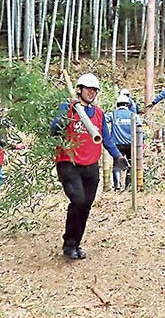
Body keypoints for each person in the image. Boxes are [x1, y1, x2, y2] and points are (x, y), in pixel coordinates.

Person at [50, 73, 125, 260]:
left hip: (91, 166)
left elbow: (106, 138)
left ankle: (76, 243)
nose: (92, 93)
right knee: (78, 200)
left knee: (86, 206)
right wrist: (66, 115)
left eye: (94, 90)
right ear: (79, 90)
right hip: (69, 163)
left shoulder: (98, 113)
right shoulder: (67, 108)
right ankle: (68, 244)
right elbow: (53, 129)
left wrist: (117, 156)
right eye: (88, 89)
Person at [106, 94, 135, 190]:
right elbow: (139, 126)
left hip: (117, 144)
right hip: (130, 143)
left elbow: (103, 120)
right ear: (127, 105)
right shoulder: (132, 115)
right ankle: (128, 186)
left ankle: (117, 185)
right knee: (131, 164)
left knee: (117, 164)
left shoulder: (113, 114)